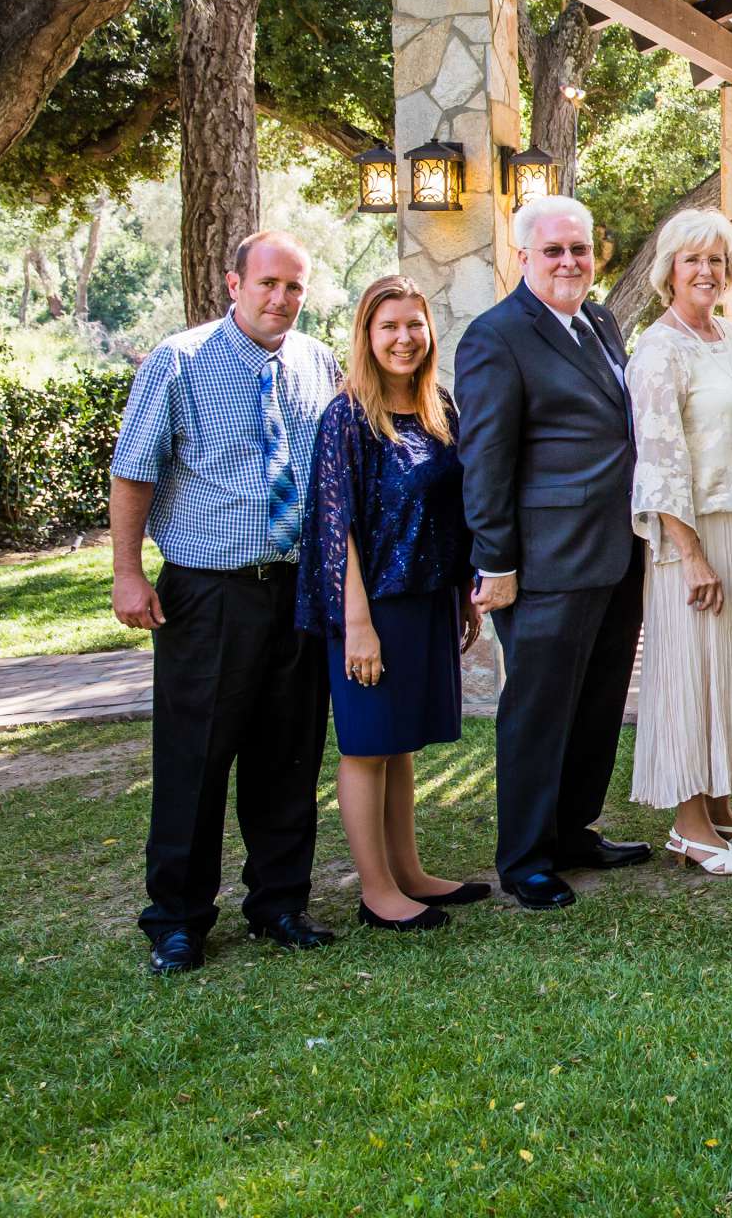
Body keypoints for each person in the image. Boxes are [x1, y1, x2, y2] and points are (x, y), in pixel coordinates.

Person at [110, 231, 339, 973]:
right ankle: (177, 919)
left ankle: (279, 903)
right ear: (234, 283)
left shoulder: (317, 362)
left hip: (297, 588)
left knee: (289, 752)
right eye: (269, 283)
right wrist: (127, 573)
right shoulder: (179, 362)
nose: (282, 299)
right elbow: (134, 471)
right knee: (195, 755)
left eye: (295, 287)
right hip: (209, 592)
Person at [457, 194, 650, 910]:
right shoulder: (495, 337)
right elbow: (485, 461)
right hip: (545, 560)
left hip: (616, 549)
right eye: (554, 250)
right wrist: (496, 562)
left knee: (598, 701)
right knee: (539, 709)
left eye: (580, 248)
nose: (570, 261)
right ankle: (527, 856)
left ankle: (574, 829)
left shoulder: (598, 321)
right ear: (523, 258)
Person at [298, 276, 488, 933]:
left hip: (428, 597)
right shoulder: (346, 415)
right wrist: (356, 625)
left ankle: (409, 873)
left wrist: (463, 593)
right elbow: (335, 526)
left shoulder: (440, 406)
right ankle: (377, 891)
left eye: (414, 324)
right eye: (389, 327)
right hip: (371, 605)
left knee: (400, 743)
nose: (404, 338)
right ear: (366, 336)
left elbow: (453, 511)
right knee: (367, 746)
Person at [626, 210, 732, 878]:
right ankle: (687, 826)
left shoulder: (725, 337)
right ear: (668, 269)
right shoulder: (658, 350)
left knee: (729, 671)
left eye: (716, 260)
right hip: (694, 534)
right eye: (693, 260)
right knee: (694, 673)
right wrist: (690, 553)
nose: (706, 271)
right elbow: (660, 461)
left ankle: (719, 808)